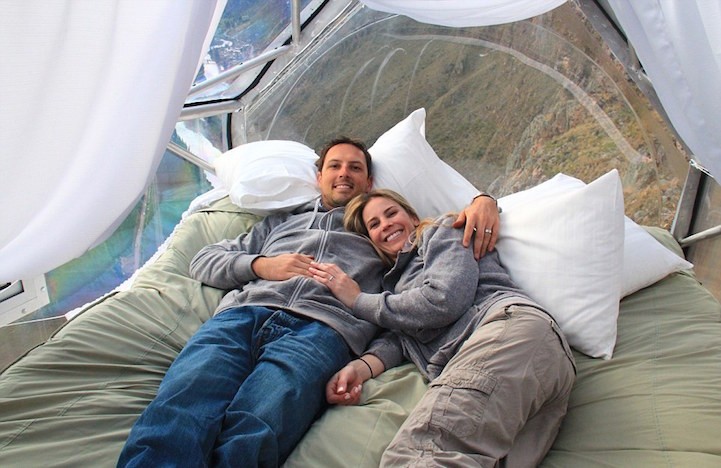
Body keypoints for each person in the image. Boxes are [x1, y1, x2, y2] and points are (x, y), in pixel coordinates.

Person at [117, 137, 500, 467]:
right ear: (319, 177)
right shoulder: (278, 223)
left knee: (256, 428)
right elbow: (203, 260)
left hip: (323, 332)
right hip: (241, 316)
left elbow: (418, 276)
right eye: (335, 166)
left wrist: (484, 200)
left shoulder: (381, 233)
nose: (344, 173)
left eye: (355, 167)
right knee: (179, 409)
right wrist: (262, 265)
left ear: (368, 181)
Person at [309, 189, 576, 467]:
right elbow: (402, 337)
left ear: (412, 217)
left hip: (506, 332)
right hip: (532, 363)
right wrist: (361, 368)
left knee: (419, 456)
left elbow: (442, 300)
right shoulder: (394, 283)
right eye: (374, 224)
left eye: (391, 213)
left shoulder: (441, 231)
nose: (385, 224)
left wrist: (357, 300)